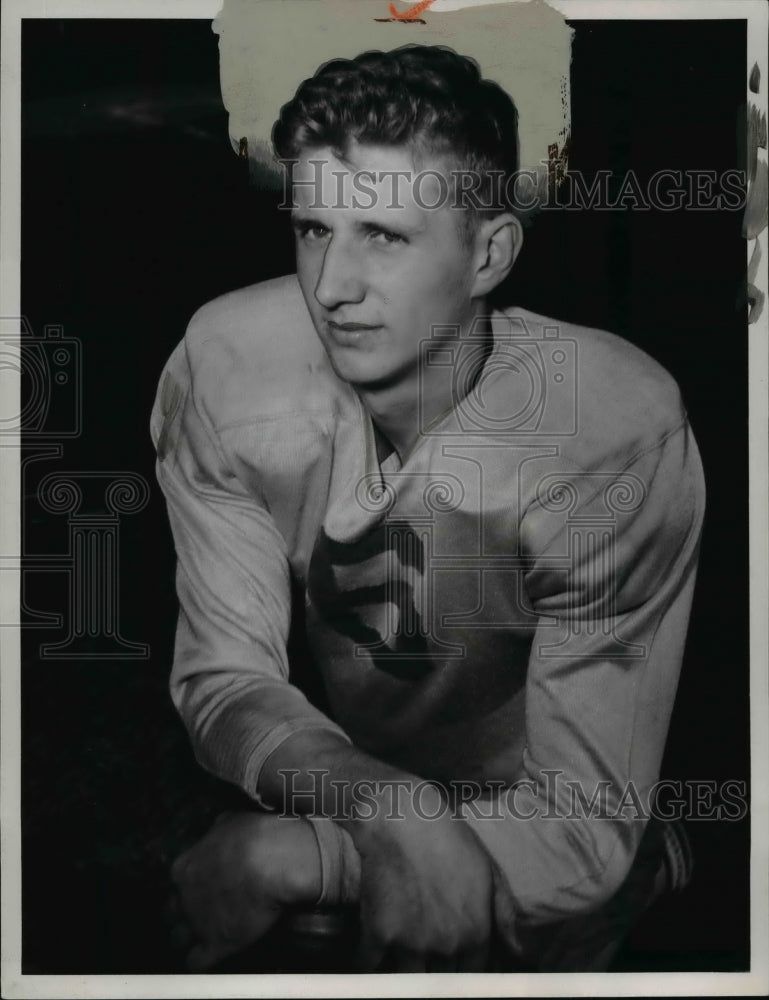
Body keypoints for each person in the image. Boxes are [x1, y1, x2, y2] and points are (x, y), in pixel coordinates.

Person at [151, 44, 705, 973]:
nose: (330, 288)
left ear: (489, 252)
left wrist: (309, 855)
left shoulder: (611, 434)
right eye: (313, 229)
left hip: (561, 841)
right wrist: (381, 811)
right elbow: (224, 681)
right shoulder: (227, 364)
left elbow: (580, 832)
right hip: (363, 782)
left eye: (383, 235)